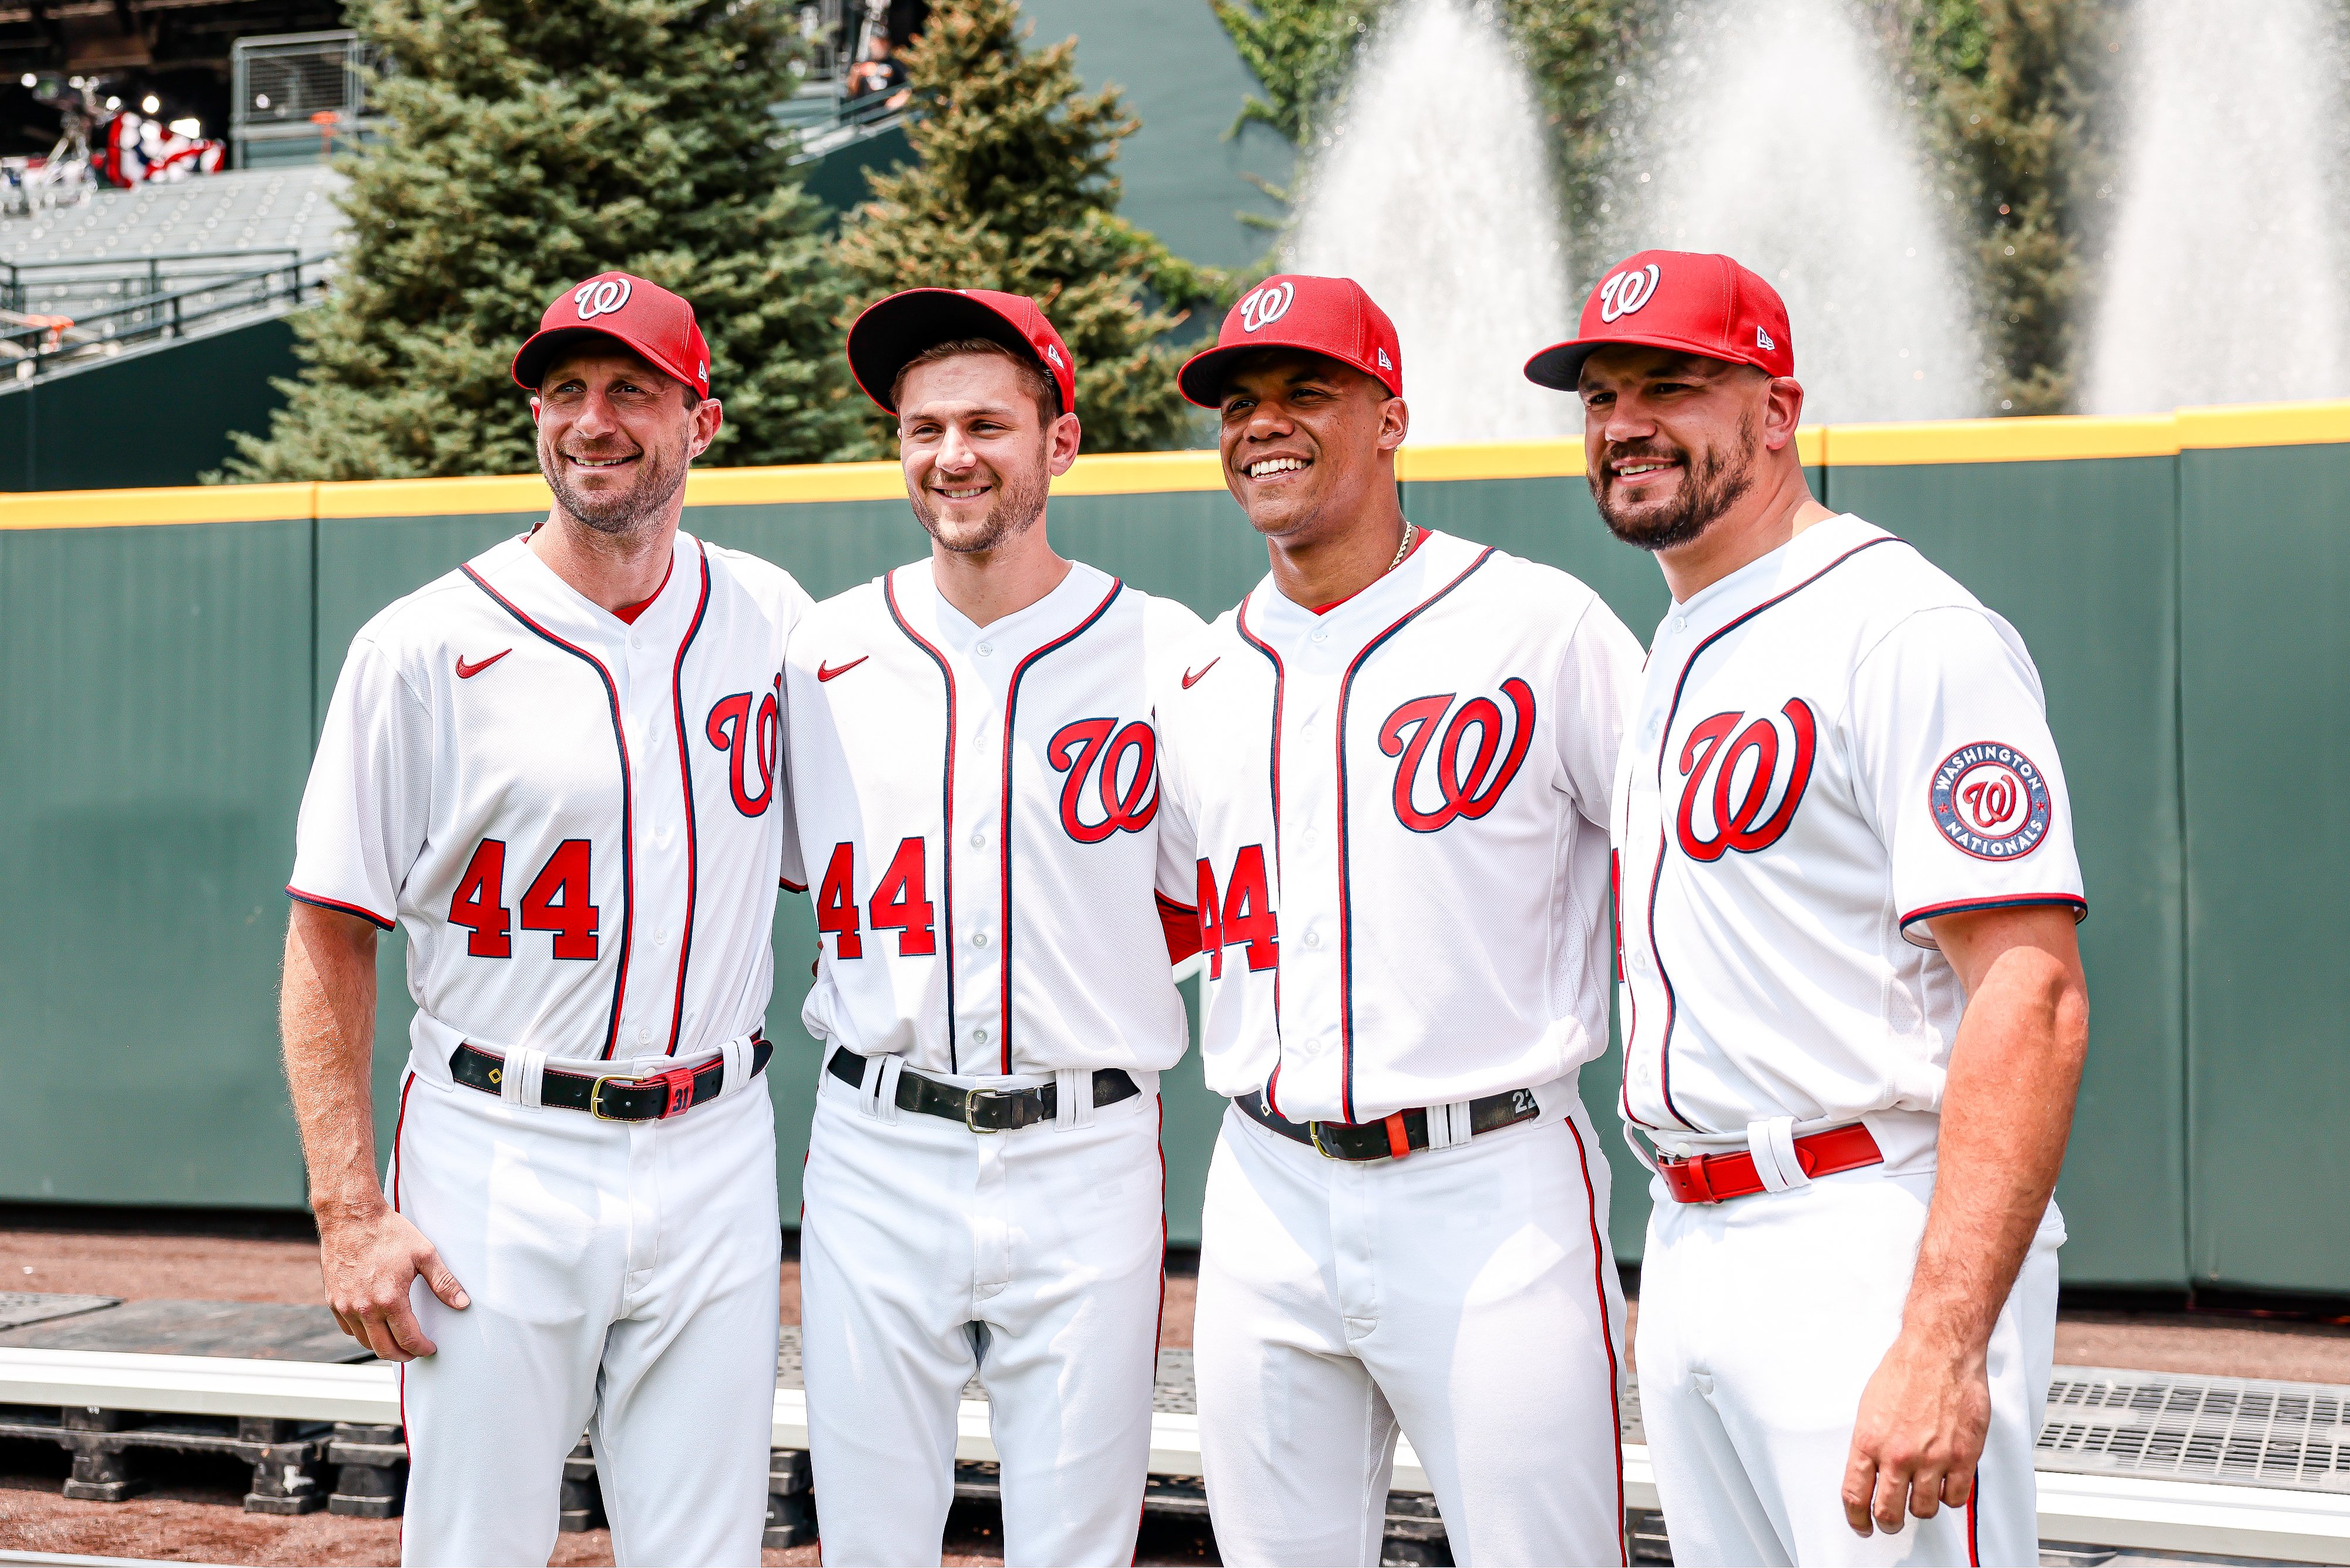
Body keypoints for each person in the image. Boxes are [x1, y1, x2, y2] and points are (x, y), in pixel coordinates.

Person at [1524, 249, 2089, 1566]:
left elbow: (2033, 993)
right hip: (1693, 1225)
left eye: (1671, 384)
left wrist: (1939, 1343)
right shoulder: (1677, 637)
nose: (1623, 425)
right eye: (1601, 395)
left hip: (1861, 1223)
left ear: (1775, 411)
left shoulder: (1899, 629)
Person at [280, 271, 808, 1567]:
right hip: (493, 1148)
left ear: (703, 421)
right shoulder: (420, 645)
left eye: (632, 388)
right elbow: (330, 933)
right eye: (563, 390)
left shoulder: (772, 620)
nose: (592, 419)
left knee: (706, 1547)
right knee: (476, 1546)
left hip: (717, 1143)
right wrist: (349, 1212)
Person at [1154, 274, 1646, 1566]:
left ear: (1389, 418)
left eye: (1306, 391)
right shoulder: (1197, 674)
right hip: (1262, 1184)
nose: (1264, 424)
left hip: (1490, 1183)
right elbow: (1164, 921)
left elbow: (1683, 880)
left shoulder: (1541, 627)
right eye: (1239, 402)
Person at [782, 287, 1204, 1567]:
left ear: (1057, 442)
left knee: (1076, 1541)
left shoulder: (1165, 654)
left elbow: (1202, 902)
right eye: (921, 429)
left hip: (1085, 1148)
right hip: (875, 1141)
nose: (950, 455)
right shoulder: (820, 653)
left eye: (985, 423)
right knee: (867, 1537)